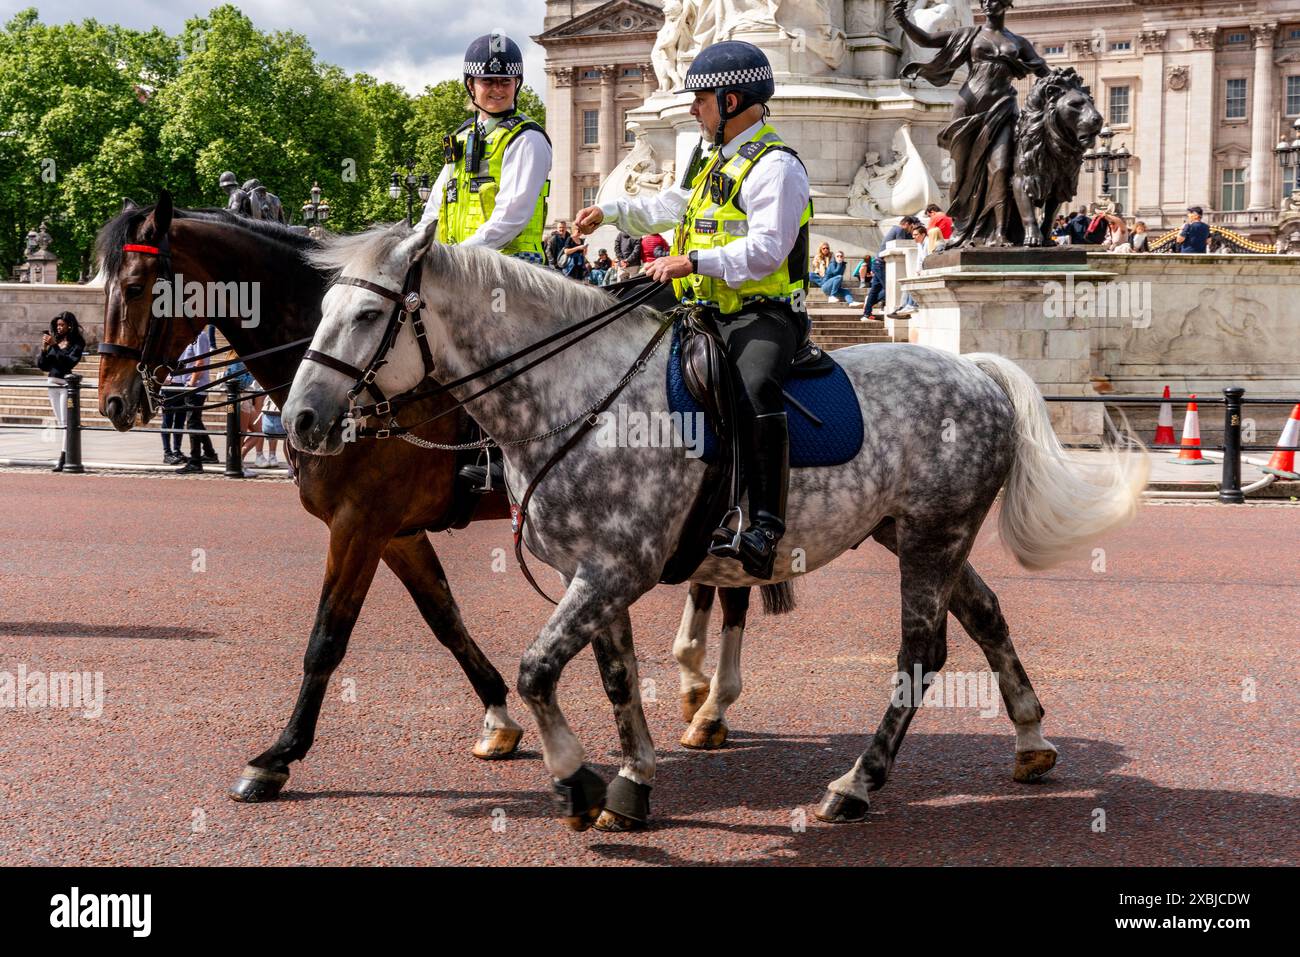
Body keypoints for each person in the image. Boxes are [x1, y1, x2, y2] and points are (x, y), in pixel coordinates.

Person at [573, 40, 811, 579]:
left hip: (761, 312)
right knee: (603, 318)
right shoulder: (714, 158)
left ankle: (766, 524)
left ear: (731, 101)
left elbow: (768, 249)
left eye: (700, 99)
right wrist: (610, 211)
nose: (692, 109)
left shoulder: (777, 167)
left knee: (756, 387)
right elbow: (672, 206)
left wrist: (693, 261)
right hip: (702, 302)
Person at [416, 33, 553, 264]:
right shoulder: (461, 137)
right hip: (460, 269)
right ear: (470, 84)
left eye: (505, 81)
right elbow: (434, 211)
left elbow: (511, 218)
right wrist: (412, 248)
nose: (498, 89)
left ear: (516, 83)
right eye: (488, 81)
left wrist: (455, 257)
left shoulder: (527, 138)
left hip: (512, 268)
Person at [35, 312, 84, 472]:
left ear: (70, 325)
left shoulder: (77, 342)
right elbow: (43, 366)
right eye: (57, 325)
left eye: (62, 325)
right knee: (60, 422)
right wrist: (44, 349)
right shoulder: (56, 340)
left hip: (66, 386)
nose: (59, 327)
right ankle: (64, 457)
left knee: (65, 423)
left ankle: (63, 458)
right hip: (52, 383)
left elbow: (69, 362)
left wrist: (55, 345)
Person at [174, 330, 219, 474]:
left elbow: (201, 361)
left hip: (196, 387)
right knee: (196, 421)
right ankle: (210, 453)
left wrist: (192, 383)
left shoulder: (200, 336)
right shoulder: (194, 336)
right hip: (192, 386)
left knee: (192, 423)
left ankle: (195, 462)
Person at [863, 215, 921, 319]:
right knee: (888, 289)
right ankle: (872, 301)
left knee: (875, 289)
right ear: (907, 224)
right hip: (882, 264)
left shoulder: (895, 229)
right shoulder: (900, 230)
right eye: (911, 228)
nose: (911, 231)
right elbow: (901, 245)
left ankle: (867, 312)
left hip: (877, 262)